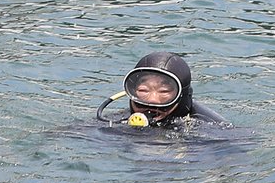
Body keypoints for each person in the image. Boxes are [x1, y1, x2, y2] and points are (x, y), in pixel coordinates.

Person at [96, 50, 231, 127]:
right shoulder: (115, 121)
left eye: (164, 91)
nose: (152, 100)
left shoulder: (208, 127)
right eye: (143, 90)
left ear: (182, 96)